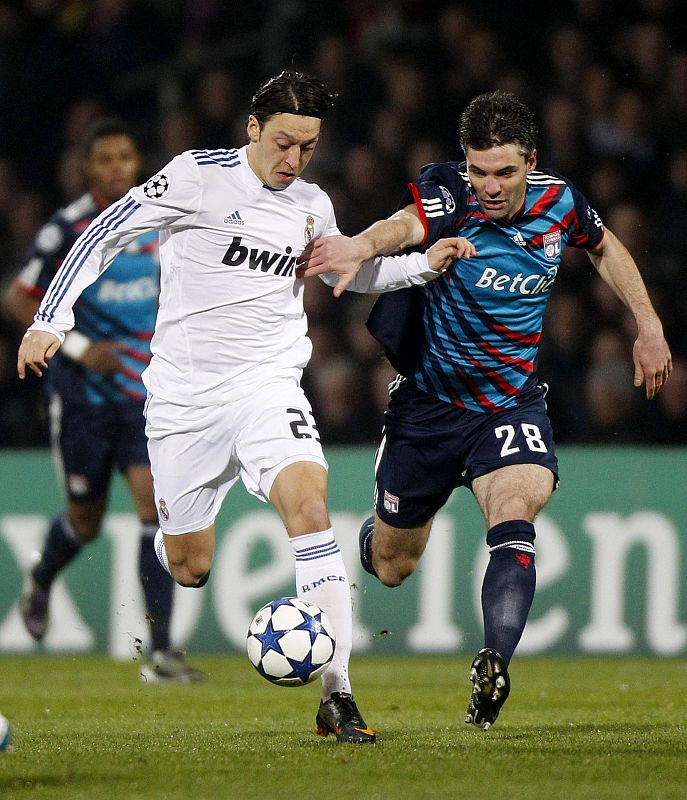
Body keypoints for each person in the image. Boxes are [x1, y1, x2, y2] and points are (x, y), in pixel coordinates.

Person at [15, 70, 470, 743]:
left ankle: (337, 694)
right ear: (252, 128)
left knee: (310, 506)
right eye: (283, 143)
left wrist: (420, 266)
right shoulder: (195, 177)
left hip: (267, 388)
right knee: (188, 566)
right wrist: (51, 320)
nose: (293, 160)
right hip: (181, 403)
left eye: (308, 148)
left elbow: (349, 271)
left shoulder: (311, 203)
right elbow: (104, 233)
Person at [296, 90, 672, 729]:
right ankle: (373, 536)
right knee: (391, 565)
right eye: (478, 169)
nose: (489, 186)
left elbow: (604, 246)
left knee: (516, 506)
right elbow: (406, 226)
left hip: (508, 401)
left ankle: (495, 659)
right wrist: (360, 246)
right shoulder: (453, 196)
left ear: (531, 161)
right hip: (427, 407)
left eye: (504, 171)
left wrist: (649, 324)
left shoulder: (561, 202)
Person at [5, 118, 203, 683]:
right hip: (84, 400)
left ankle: (161, 652)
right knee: (85, 522)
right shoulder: (67, 228)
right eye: (105, 159)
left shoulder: (162, 222)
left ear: (137, 162)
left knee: (153, 512)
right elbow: (19, 301)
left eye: (125, 157)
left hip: (144, 397)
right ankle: (42, 577)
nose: (117, 167)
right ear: (88, 168)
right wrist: (82, 345)